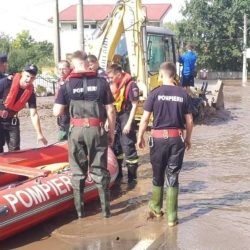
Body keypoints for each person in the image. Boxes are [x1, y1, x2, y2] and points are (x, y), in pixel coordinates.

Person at [53, 51, 116, 218]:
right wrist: (111, 132)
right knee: (100, 170)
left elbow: (56, 111)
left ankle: (80, 214)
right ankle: (106, 213)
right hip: (97, 129)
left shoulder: (66, 84)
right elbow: (110, 109)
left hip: (76, 130)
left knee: (77, 172)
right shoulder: (101, 82)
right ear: (87, 63)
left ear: (73, 65)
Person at [137, 62, 193, 226]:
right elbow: (189, 121)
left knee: (157, 173)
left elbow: (145, 119)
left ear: (161, 76)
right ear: (174, 76)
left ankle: (155, 207)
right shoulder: (183, 94)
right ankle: (172, 218)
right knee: (173, 175)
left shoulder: (155, 93)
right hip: (177, 139)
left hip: (158, 139)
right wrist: (188, 138)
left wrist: (140, 136)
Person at [0, 64, 48, 153]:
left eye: (32, 78)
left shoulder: (30, 93)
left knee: (15, 150)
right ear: (22, 73)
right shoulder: (6, 82)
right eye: (27, 76)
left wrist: (39, 134)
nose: (29, 79)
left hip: (12, 121)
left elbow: (33, 114)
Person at [106, 64, 139, 183]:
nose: (110, 80)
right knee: (116, 147)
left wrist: (129, 123)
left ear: (119, 75)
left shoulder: (131, 85)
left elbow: (135, 105)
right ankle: (118, 175)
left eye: (111, 77)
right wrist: (107, 121)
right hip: (116, 117)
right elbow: (111, 105)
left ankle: (132, 178)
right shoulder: (114, 86)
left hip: (126, 115)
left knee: (128, 146)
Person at [56, 60, 71, 141]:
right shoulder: (60, 81)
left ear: (69, 69)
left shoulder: (71, 81)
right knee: (61, 138)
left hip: (69, 115)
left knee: (66, 139)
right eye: (59, 69)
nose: (61, 71)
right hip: (62, 116)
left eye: (64, 69)